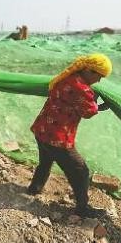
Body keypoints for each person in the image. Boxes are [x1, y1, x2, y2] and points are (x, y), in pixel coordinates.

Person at [28, 53, 112, 217]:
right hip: (57, 138)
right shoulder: (82, 88)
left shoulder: (67, 77)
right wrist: (100, 106)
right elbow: (88, 112)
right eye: (99, 77)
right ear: (89, 71)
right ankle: (82, 208)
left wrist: (93, 100)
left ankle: (34, 188)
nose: (99, 81)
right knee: (81, 171)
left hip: (42, 129)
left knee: (45, 162)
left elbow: (75, 102)